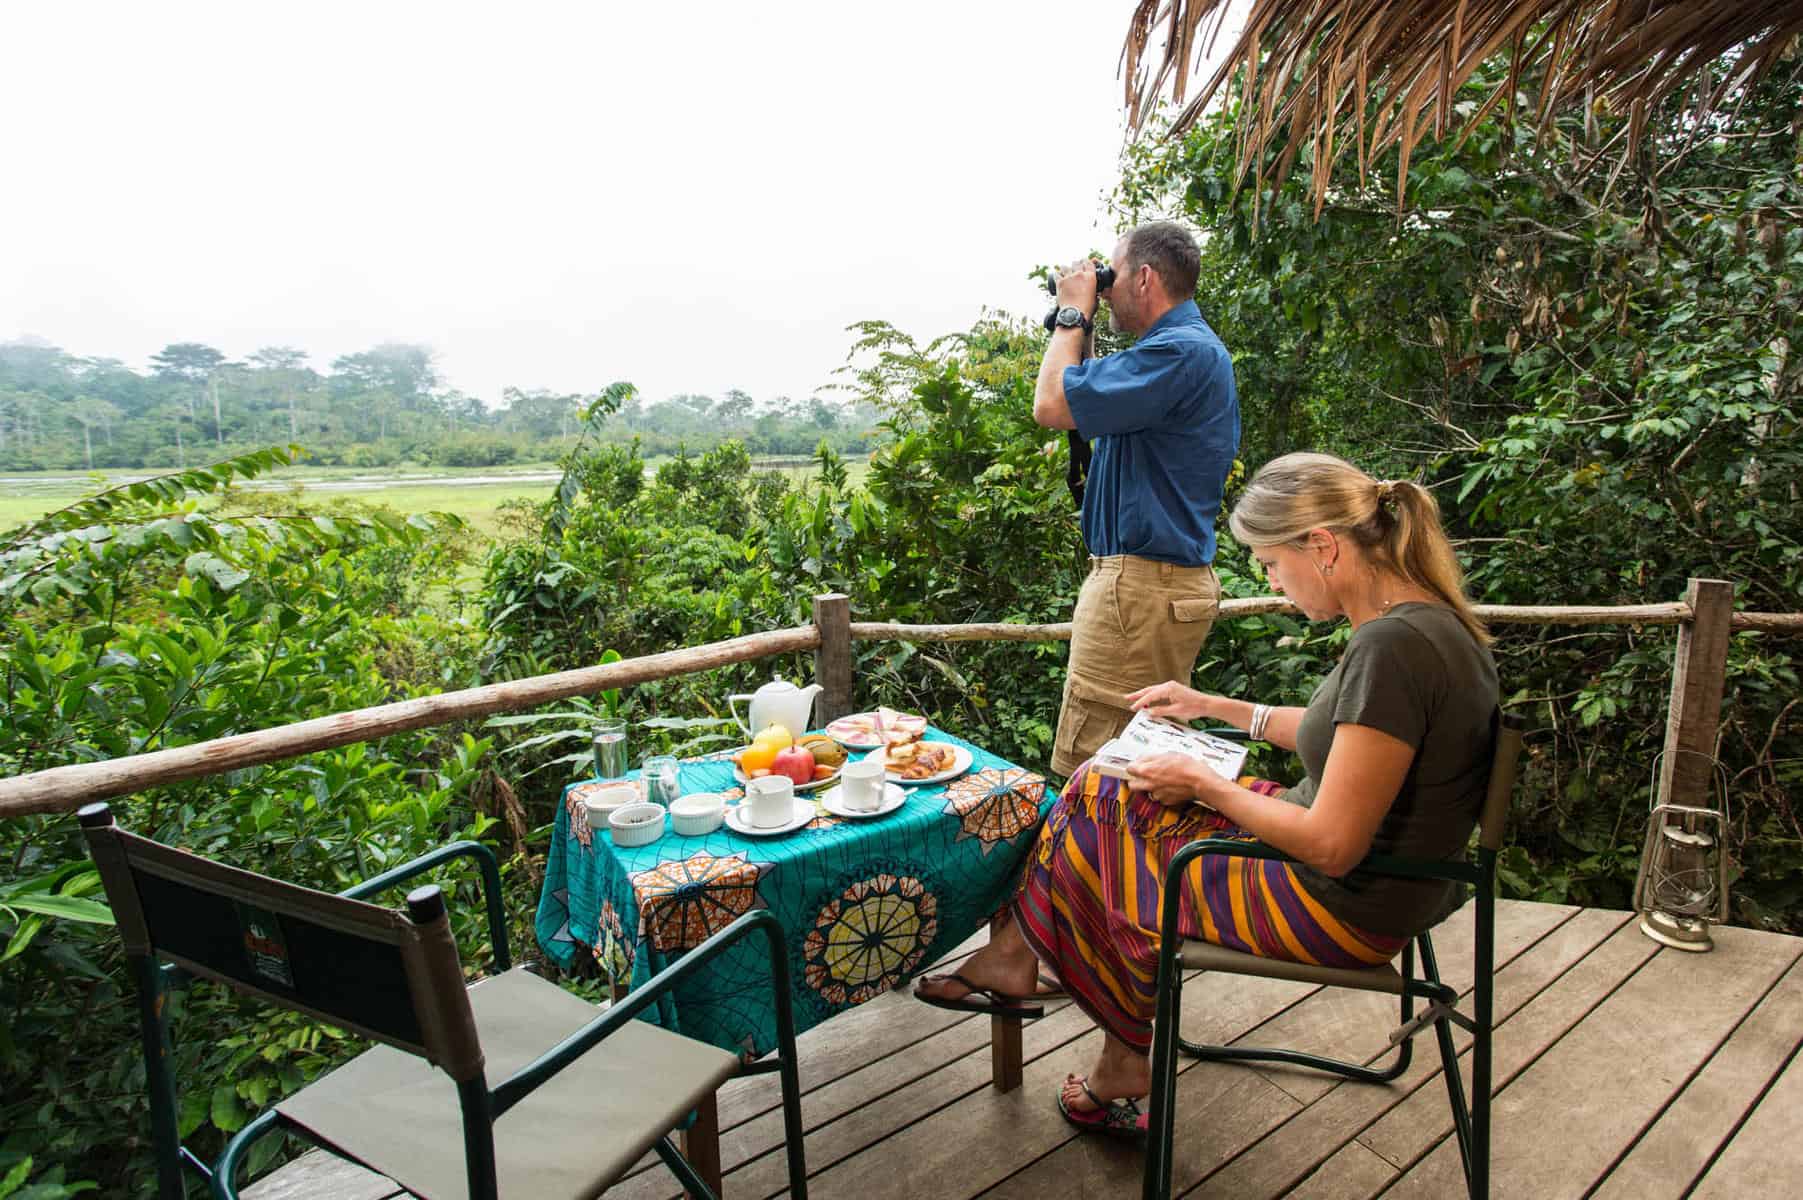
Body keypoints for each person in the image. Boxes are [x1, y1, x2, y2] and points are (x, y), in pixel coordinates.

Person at [915, 452, 1499, 1140]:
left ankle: (1107, 1045)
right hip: (1392, 882)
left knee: (1100, 811)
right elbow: (1335, 735)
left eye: (1272, 564)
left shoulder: (1391, 649)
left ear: (1322, 546)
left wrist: (1204, 785)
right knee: (1107, 784)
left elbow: (1331, 845)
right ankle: (1056, 995)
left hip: (1339, 904)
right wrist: (1211, 705)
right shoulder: (1427, 623)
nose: (1275, 586)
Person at [1033, 219, 1240, 779]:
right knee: (1147, 766)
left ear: (1145, 278)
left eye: (1113, 275)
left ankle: (1098, 869)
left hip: (1142, 588)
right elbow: (1083, 391)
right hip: (1154, 588)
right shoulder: (1181, 353)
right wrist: (1084, 318)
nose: (1107, 287)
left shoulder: (1176, 352)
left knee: (1098, 773)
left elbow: (1052, 403)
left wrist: (1074, 312)